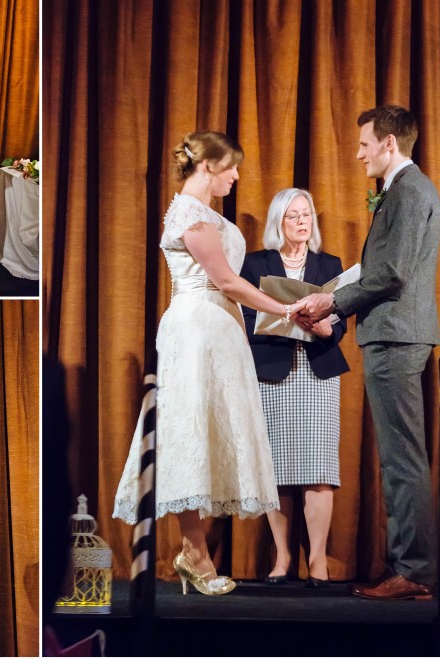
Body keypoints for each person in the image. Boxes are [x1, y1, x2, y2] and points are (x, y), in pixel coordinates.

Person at [112, 131, 308, 596]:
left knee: (212, 431)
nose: (237, 176)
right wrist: (287, 310)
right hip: (197, 327)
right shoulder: (189, 214)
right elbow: (226, 281)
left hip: (218, 329)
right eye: (232, 167)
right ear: (208, 167)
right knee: (191, 431)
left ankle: (193, 550)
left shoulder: (202, 214)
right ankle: (194, 552)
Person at [298, 105, 440, 601]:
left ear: (389, 144)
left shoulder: (408, 190)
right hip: (395, 333)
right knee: (400, 456)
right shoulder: (403, 190)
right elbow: (380, 269)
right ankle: (410, 568)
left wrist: (331, 301)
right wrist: (336, 309)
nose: (358, 153)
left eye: (364, 144)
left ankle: (416, 572)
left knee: (402, 458)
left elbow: (392, 273)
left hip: (397, 335)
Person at [239, 188, 350, 588]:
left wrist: (324, 326)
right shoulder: (255, 264)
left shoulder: (329, 264)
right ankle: (283, 559)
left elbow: (341, 322)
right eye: (293, 216)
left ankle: (317, 562)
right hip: (272, 370)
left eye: (306, 215)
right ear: (278, 222)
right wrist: (288, 317)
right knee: (278, 470)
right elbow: (247, 313)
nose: (302, 222)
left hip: (317, 373)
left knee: (319, 469)